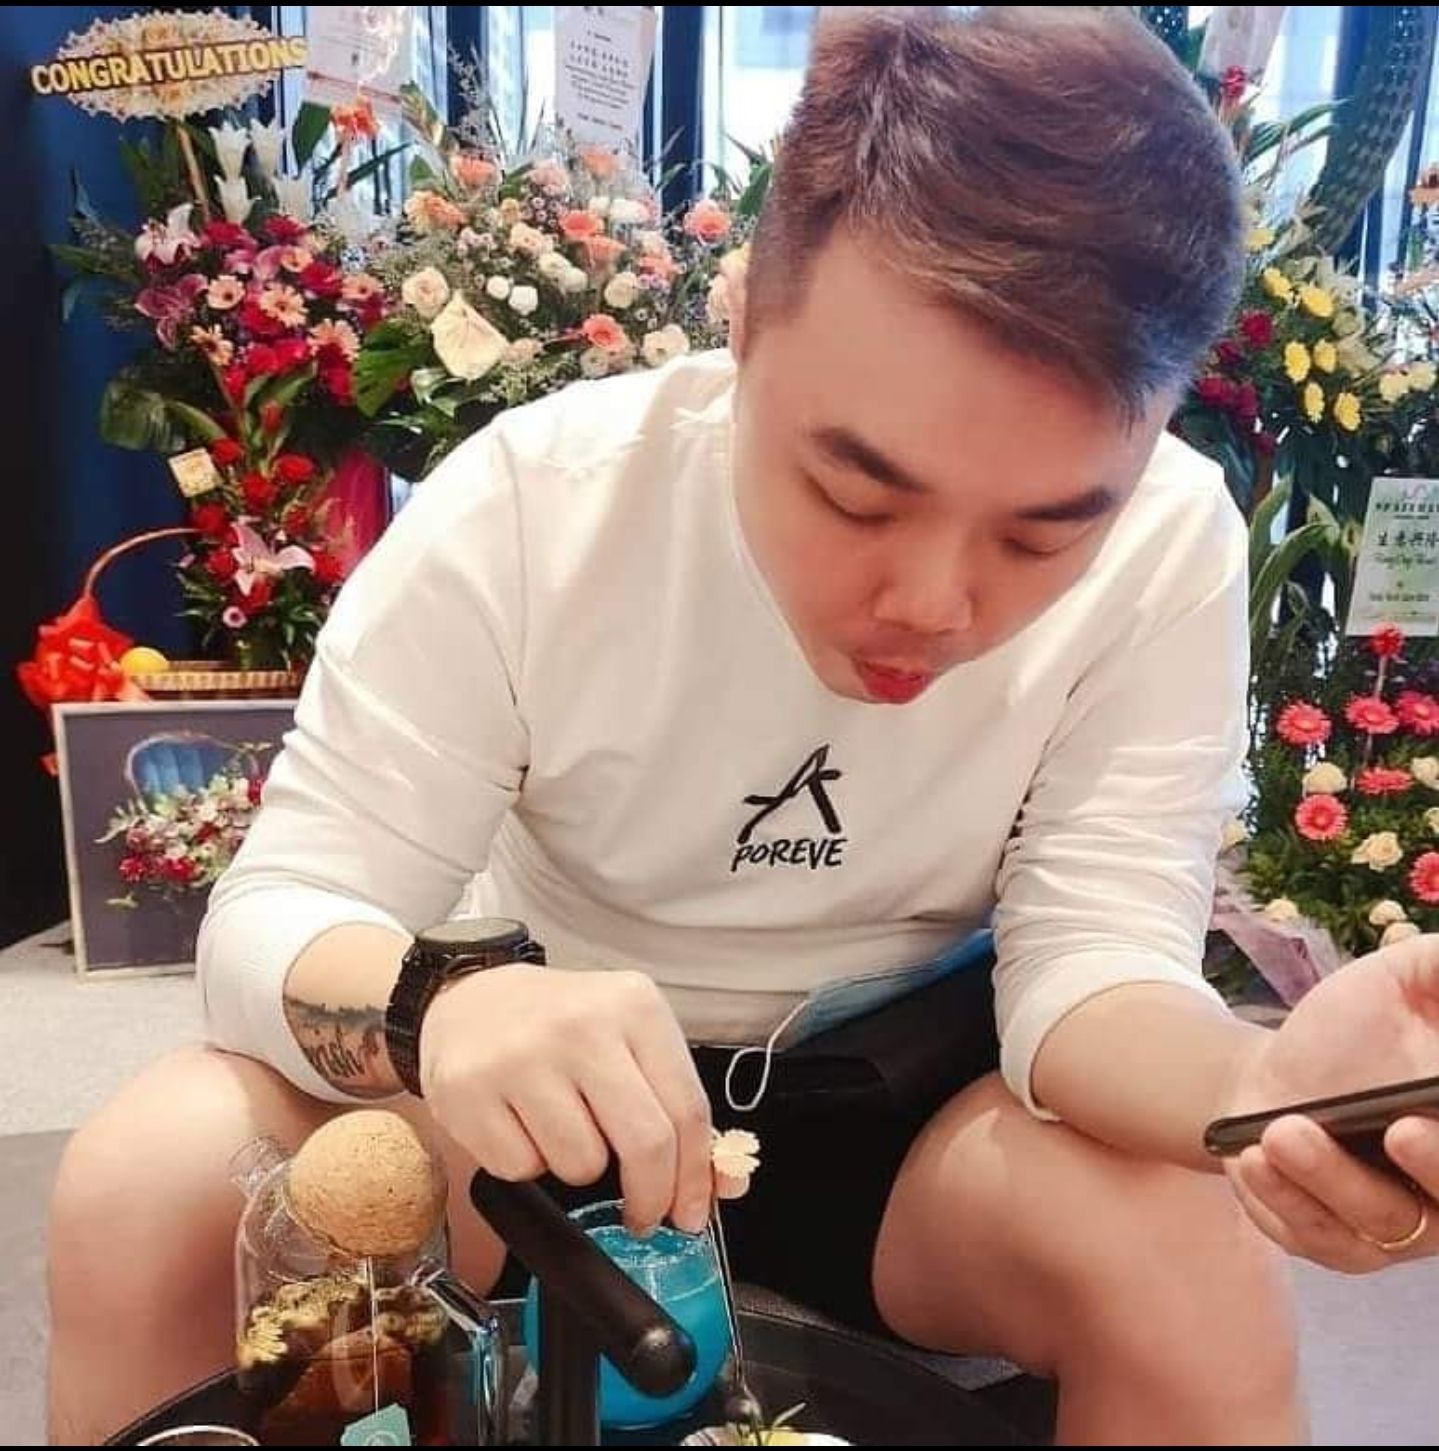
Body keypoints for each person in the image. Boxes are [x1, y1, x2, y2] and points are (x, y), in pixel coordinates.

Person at [47, 8, 1439, 1446]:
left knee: (1192, 1256)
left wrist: (1265, 1088)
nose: (934, 604)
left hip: (921, 1124)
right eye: (855, 493)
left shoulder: (1166, 542)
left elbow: (1095, 964)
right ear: (741, 324)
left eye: (1043, 536)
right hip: (533, 1116)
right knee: (157, 1185)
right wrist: (436, 1003)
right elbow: (277, 908)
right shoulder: (543, 505)